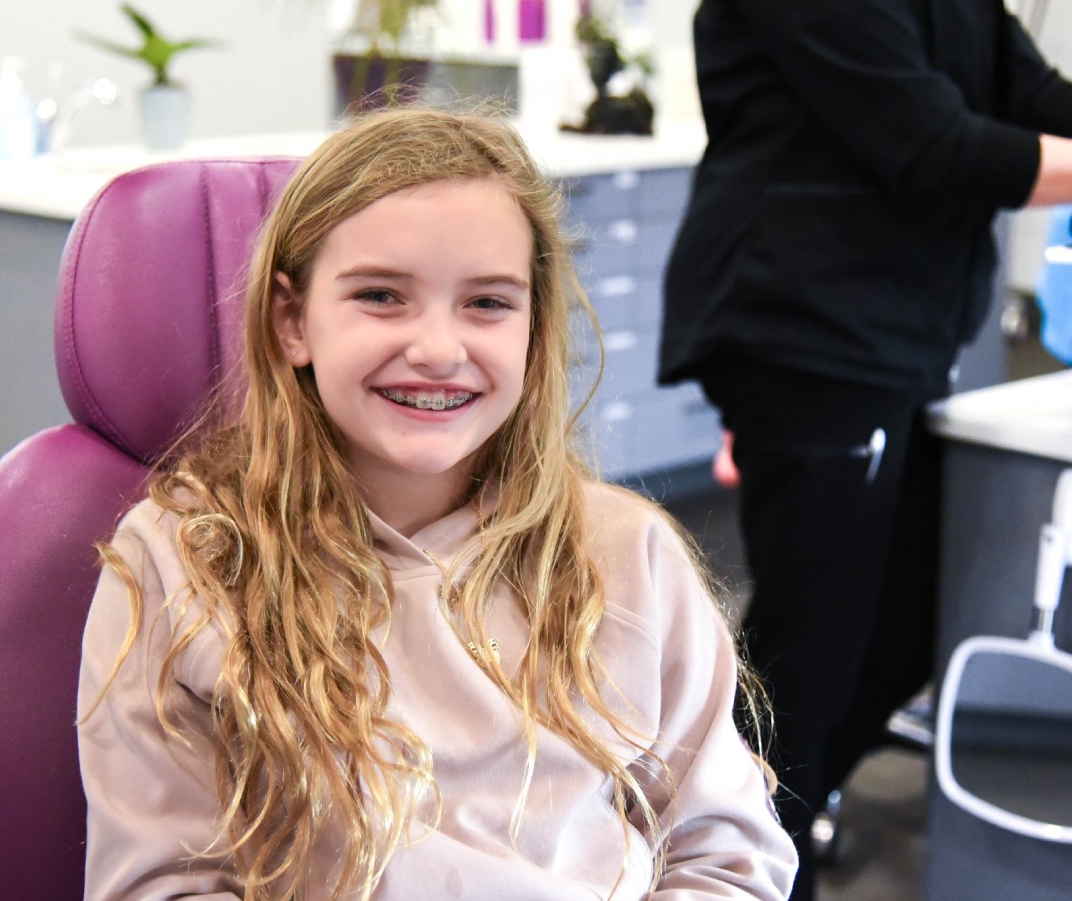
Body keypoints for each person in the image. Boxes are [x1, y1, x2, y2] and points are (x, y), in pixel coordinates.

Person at [77, 107, 797, 900]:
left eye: (488, 303)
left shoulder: (625, 555)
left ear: (533, 328)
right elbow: (163, 883)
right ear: (293, 321)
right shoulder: (186, 561)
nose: (439, 349)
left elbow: (725, 852)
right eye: (382, 295)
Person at [659, 2, 1072, 898]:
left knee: (913, 612)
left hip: (890, 340)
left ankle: (758, 824)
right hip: (807, 330)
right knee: (815, 643)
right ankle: (741, 865)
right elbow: (931, 148)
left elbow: (1038, 99)